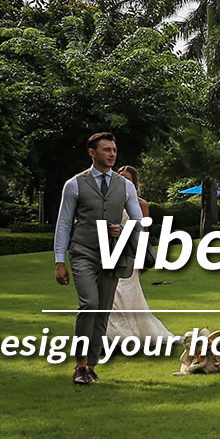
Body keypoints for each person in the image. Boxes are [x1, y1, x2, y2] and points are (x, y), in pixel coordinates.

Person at [53, 132, 146, 385]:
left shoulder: (125, 185)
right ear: (92, 153)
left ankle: (91, 367)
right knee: (89, 304)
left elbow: (139, 221)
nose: (112, 154)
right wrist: (59, 261)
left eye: (114, 150)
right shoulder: (74, 184)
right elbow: (64, 224)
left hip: (112, 253)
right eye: (106, 150)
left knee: (103, 310)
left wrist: (123, 230)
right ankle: (79, 365)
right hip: (83, 250)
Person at [105, 166, 173, 345]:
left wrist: (143, 258)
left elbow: (143, 232)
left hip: (130, 253)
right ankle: (114, 335)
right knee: (111, 293)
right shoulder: (109, 201)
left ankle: (125, 336)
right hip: (110, 252)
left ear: (134, 183)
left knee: (125, 292)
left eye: (128, 179)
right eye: (120, 178)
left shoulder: (141, 205)